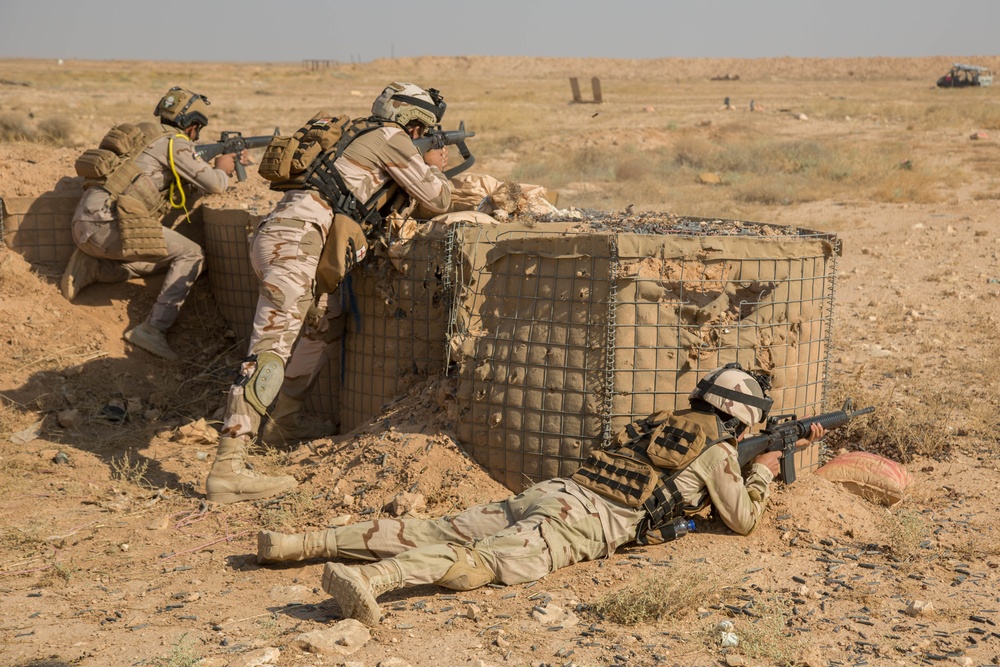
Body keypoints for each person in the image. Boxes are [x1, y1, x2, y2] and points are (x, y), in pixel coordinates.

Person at [255, 364, 826, 626]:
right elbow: (744, 521)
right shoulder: (721, 452)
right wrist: (767, 470)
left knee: (429, 528)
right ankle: (372, 581)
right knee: (477, 565)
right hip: (580, 524)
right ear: (739, 418)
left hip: (554, 493)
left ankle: (294, 543)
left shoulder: (666, 421)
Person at [203, 82, 453, 504]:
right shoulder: (391, 138)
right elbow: (438, 198)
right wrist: (433, 163)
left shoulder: (357, 132)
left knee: (326, 320)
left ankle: (283, 421)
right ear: (416, 124)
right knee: (268, 353)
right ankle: (228, 467)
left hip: (294, 238)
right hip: (297, 243)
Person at [61, 87, 243, 361]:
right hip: (108, 224)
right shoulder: (176, 143)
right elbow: (216, 185)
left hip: (86, 223)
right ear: (193, 126)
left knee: (161, 255)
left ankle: (97, 266)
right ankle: (152, 330)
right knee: (191, 254)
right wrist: (223, 168)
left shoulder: (146, 136)